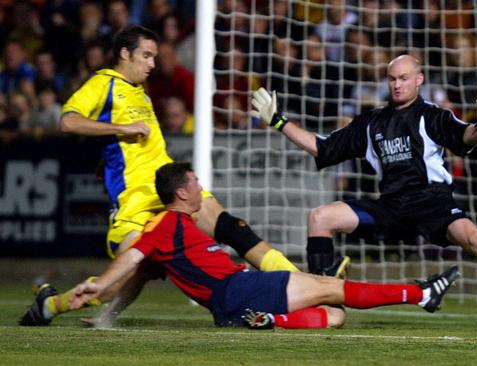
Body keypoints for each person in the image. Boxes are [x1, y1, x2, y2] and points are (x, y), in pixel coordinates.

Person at [250, 54, 477, 330]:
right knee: (320, 217)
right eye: (392, 79)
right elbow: (322, 149)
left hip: (432, 202)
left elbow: (464, 138)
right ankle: (324, 299)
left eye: (403, 78)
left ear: (418, 79)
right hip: (391, 208)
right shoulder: (371, 122)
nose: (396, 84)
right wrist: (278, 122)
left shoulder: (432, 115)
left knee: (476, 240)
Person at [19, 25, 300, 328]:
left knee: (233, 229)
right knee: (121, 280)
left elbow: (131, 149)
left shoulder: (141, 91)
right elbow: (68, 122)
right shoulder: (102, 83)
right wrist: (122, 130)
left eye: (154, 56)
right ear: (125, 53)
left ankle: (302, 285)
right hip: (136, 202)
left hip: (169, 189)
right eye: (146, 55)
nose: (152, 63)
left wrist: (111, 154)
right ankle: (50, 305)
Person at [67, 162, 461, 329]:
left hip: (233, 300)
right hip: (236, 289)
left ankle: (273, 322)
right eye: (195, 182)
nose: (201, 188)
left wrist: (106, 316)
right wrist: (101, 286)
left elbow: (137, 274)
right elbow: (131, 258)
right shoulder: (166, 223)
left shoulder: (176, 229)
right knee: (327, 286)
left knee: (335, 315)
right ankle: (420, 293)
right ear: (183, 192)